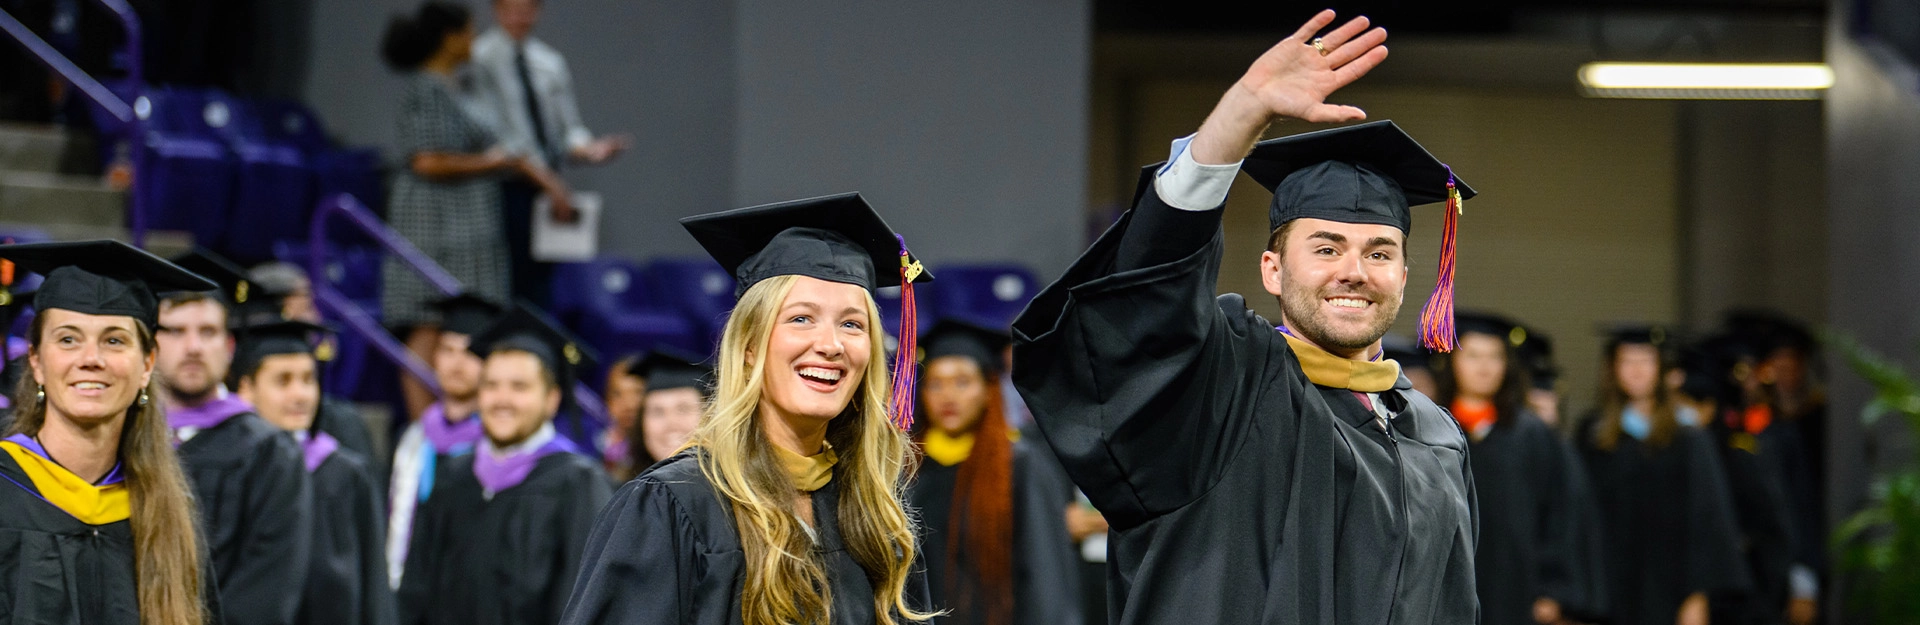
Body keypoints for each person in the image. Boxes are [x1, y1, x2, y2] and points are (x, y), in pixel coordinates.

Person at [1010, 11, 1479, 623]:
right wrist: (1241, 114)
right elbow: (1149, 310)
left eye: (1379, 252)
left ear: (1405, 275)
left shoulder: (1434, 434)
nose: (1355, 271)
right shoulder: (1218, 390)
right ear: (1272, 270)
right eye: (1326, 247)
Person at [560, 193, 937, 625]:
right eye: (801, 318)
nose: (831, 345)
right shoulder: (673, 505)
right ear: (750, 346)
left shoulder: (875, 514)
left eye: (852, 324)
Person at [0, 240, 224, 625]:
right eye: (68, 339)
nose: (91, 359)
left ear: (147, 363)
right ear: (36, 360)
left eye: (114, 340)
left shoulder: (167, 513)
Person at [377, 0, 571, 423]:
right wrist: (498, 161)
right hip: (433, 227)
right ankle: (424, 431)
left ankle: (458, 427)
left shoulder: (455, 85)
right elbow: (425, 160)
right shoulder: (426, 87)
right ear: (449, 38)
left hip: (464, 229)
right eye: (467, 32)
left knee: (462, 328)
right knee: (427, 327)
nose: (473, 40)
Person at [396, 303, 613, 625]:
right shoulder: (454, 475)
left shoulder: (578, 483)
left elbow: (581, 603)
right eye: (491, 385)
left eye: (519, 387)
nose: (502, 400)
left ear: (552, 399)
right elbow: (415, 588)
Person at [156, 266, 313, 625]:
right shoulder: (123, 441)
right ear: (151, 345)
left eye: (208, 331)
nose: (193, 347)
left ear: (229, 346)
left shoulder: (269, 451)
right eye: (176, 331)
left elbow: (267, 589)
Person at [1434, 313, 1607, 625]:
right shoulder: (1429, 429)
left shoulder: (1531, 434)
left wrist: (1553, 588)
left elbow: (1561, 513)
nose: (1484, 367)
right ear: (1452, 362)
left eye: (1495, 357)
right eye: (1472, 355)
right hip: (1442, 590)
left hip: (1517, 591)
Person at [909, 318, 1081, 625]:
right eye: (935, 383)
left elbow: (1045, 578)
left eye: (963, 382)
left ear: (989, 390)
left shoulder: (1020, 466)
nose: (948, 396)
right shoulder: (906, 471)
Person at [1576, 326, 1750, 625]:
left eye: (1646, 360)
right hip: (1609, 592)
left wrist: (1697, 595)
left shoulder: (1689, 439)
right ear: (1613, 369)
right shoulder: (1593, 437)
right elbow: (1579, 518)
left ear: (1662, 369)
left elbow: (1707, 520)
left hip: (1672, 592)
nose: (1637, 371)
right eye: (1627, 361)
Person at [233, 320, 396, 625]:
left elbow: (374, 590)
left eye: (309, 379)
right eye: (283, 381)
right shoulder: (233, 471)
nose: (301, 395)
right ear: (246, 390)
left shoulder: (346, 474)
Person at [472, 0, 631, 305]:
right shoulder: (480, 58)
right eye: (511, 9)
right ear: (497, 9)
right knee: (506, 282)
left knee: (543, 285)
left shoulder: (548, 61)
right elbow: (495, 137)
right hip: (502, 187)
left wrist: (588, 150)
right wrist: (549, 183)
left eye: (527, 9)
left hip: (547, 186)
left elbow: (566, 128)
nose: (520, 17)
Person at [386, 291, 503, 589]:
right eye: (447, 350)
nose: (456, 363)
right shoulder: (412, 438)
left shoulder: (499, 447)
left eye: (468, 352)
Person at [615, 349, 709, 480]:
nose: (671, 423)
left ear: (710, 416)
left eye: (683, 409)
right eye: (657, 412)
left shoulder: (732, 493)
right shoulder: (623, 492)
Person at [600, 354, 645, 479]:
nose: (629, 404)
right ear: (607, 401)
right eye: (617, 394)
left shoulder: (664, 450)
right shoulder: (594, 447)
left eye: (637, 392)